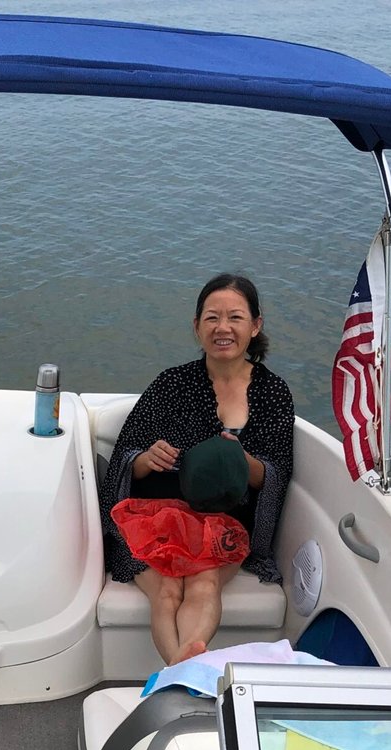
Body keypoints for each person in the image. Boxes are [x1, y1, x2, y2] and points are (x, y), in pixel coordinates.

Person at [99, 273, 295, 664]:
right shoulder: (171, 384)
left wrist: (240, 461)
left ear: (255, 326)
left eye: (235, 317)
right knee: (168, 590)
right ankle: (185, 673)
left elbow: (276, 475)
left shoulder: (273, 393)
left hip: (226, 521)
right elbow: (125, 457)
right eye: (212, 317)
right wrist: (145, 460)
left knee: (204, 584)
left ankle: (176, 675)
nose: (223, 328)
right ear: (197, 326)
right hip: (157, 516)